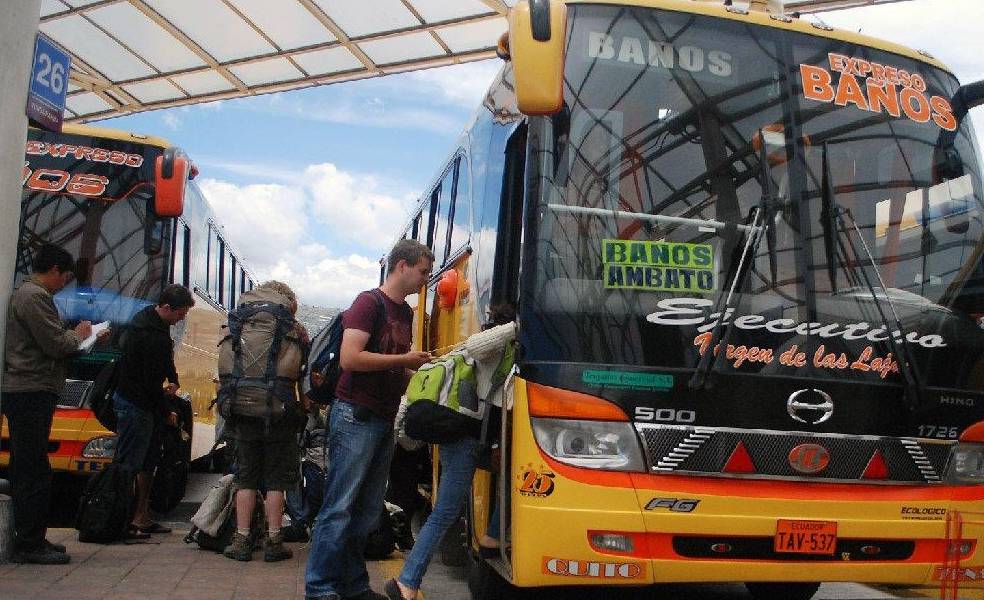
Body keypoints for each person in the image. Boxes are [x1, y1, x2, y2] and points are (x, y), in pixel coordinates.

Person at [305, 239, 434, 600]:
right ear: (402, 266)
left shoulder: (405, 313)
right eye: (423, 271)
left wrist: (426, 377)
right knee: (339, 507)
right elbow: (351, 358)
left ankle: (353, 585)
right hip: (355, 416)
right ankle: (319, 589)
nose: (426, 279)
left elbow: (392, 369)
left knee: (365, 510)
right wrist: (404, 361)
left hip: (382, 418)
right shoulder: (368, 303)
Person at [385, 308, 516, 600]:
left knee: (519, 475)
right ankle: (407, 583)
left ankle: (492, 539)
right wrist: (518, 327)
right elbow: (476, 345)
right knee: (445, 512)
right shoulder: (494, 344)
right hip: (463, 440)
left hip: (471, 439)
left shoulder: (506, 351)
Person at [1, 243, 92, 564]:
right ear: (53, 270)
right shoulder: (34, 297)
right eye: (64, 278)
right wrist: (80, 334)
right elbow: (55, 344)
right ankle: (29, 543)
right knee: (33, 468)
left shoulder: (30, 296)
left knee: (29, 464)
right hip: (30, 389)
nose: (63, 285)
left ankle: (33, 537)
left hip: (31, 388)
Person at [223, 280, 309, 563]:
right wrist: (305, 409)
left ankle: (242, 540)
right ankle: (274, 541)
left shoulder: (240, 321)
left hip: (242, 410)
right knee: (275, 482)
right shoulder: (294, 329)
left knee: (245, 479)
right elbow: (303, 375)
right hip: (280, 413)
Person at [112, 283, 194, 539]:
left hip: (143, 404)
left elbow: (165, 363)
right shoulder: (146, 334)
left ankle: (141, 517)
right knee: (129, 464)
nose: (181, 319)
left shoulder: (154, 325)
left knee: (147, 462)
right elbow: (148, 381)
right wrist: (166, 411)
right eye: (180, 313)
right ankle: (121, 520)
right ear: (166, 307)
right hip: (136, 404)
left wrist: (174, 379)